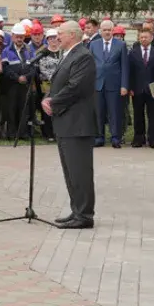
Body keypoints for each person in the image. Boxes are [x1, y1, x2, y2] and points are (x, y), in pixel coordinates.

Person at [41, 21, 96, 230]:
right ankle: (77, 210)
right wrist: (48, 98)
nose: (57, 38)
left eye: (60, 34)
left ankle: (85, 215)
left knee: (80, 171)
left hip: (77, 122)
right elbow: (58, 83)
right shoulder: (68, 54)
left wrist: (53, 102)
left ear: (72, 35)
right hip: (65, 121)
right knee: (70, 171)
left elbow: (76, 87)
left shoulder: (83, 56)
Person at [88, 20, 129, 148]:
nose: (106, 32)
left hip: (114, 85)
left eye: (109, 30)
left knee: (114, 112)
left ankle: (115, 137)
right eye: (104, 30)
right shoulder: (93, 44)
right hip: (97, 84)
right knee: (99, 112)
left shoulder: (121, 45)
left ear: (113, 31)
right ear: (100, 31)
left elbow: (125, 67)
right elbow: (90, 66)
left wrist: (124, 85)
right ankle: (99, 137)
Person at [128, 26, 154, 148]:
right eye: (141, 37)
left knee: (153, 115)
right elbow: (130, 72)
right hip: (137, 88)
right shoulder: (133, 53)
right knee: (138, 114)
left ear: (151, 38)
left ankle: (153, 139)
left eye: (146, 37)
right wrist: (130, 87)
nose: (143, 39)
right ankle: (139, 138)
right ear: (139, 38)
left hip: (153, 87)